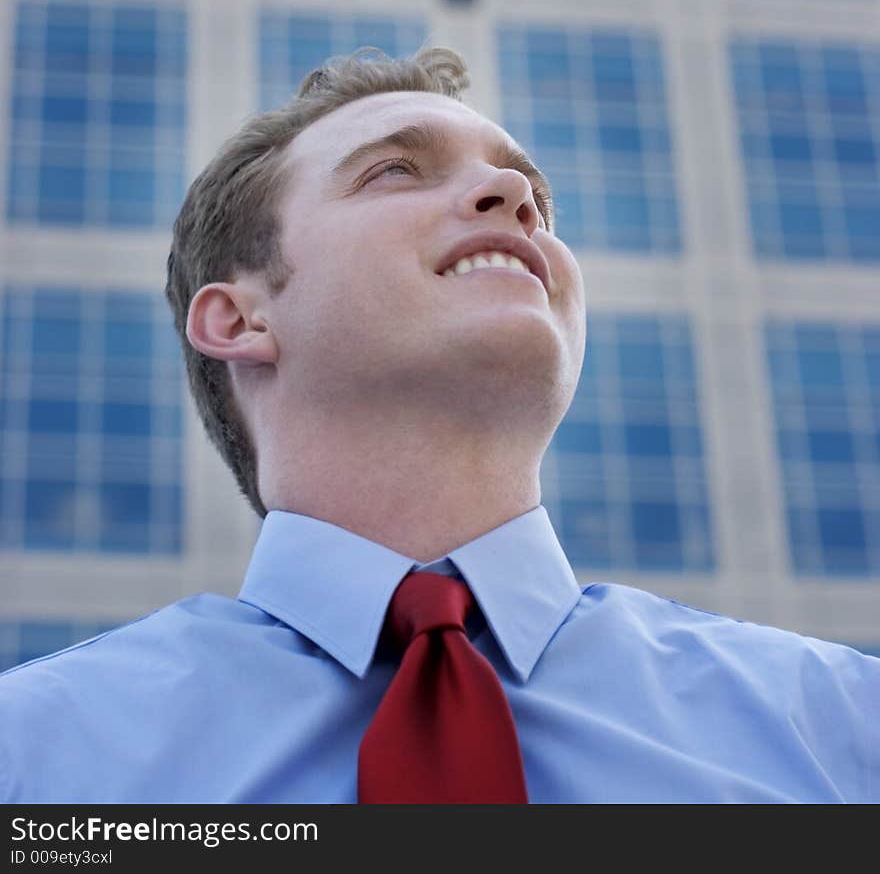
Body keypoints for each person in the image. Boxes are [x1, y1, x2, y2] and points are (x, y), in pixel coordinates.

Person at [1, 44, 877, 804]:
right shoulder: (33, 761)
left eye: (529, 188)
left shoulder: (846, 732)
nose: (513, 195)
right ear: (238, 321)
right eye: (394, 170)